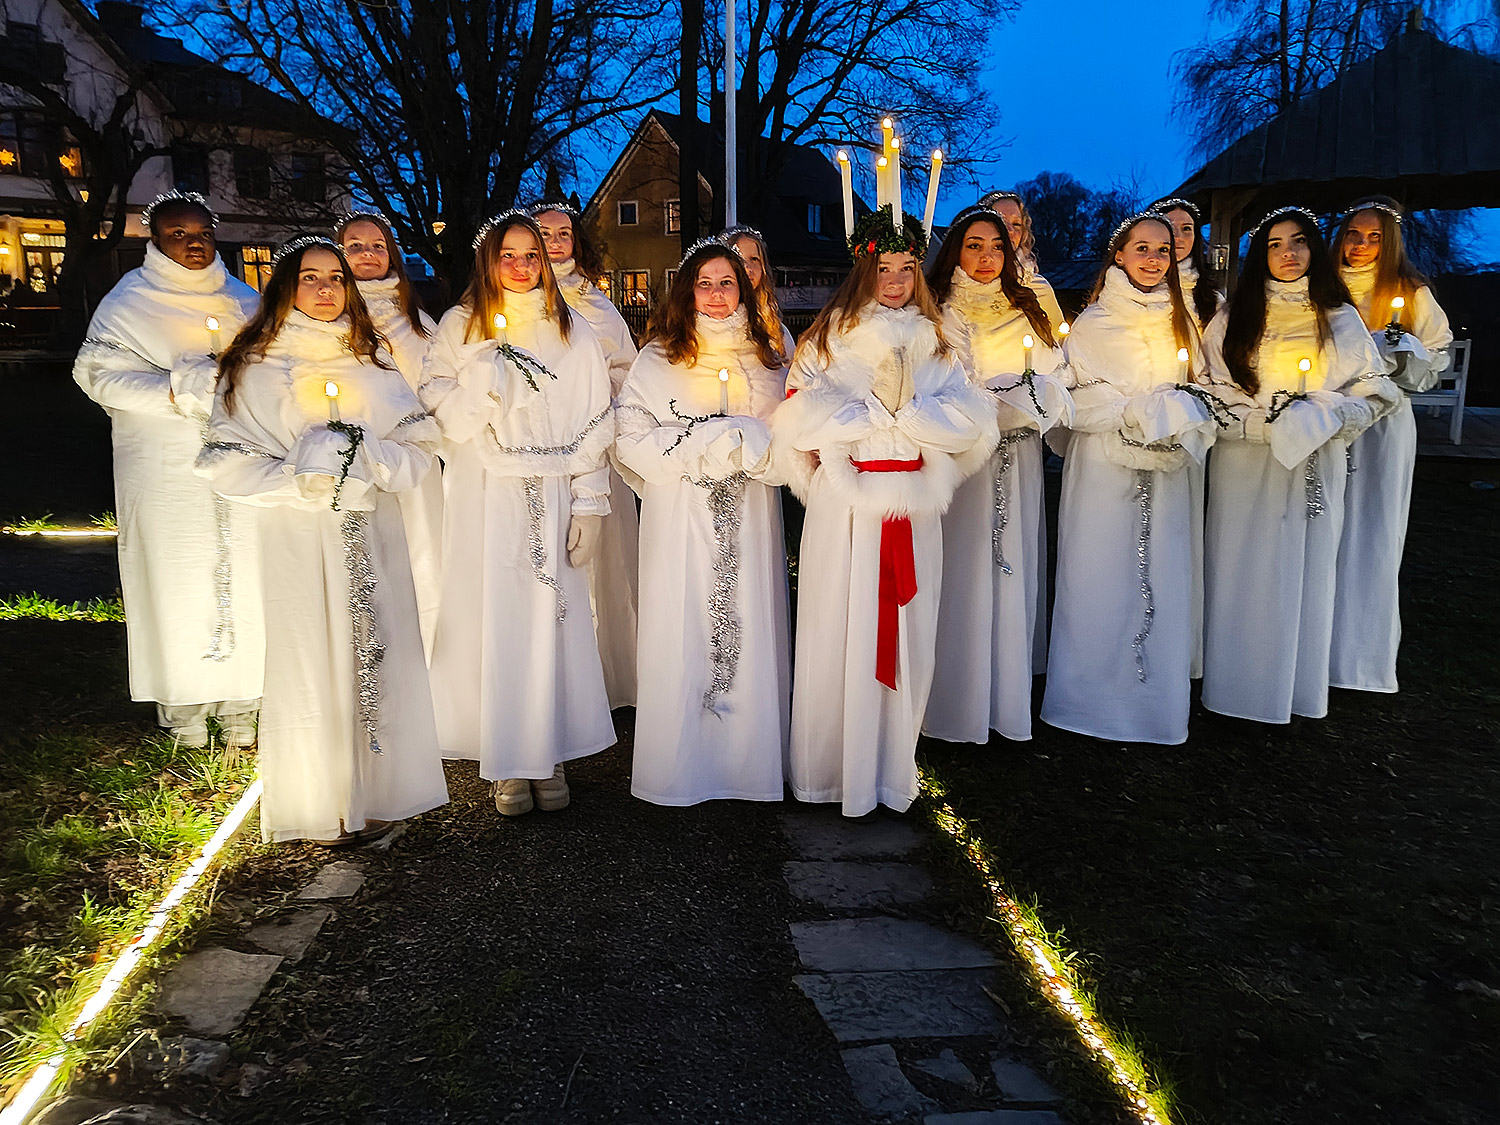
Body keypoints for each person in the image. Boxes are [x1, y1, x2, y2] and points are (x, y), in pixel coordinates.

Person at [197, 236, 448, 844]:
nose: (326, 288)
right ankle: (325, 796)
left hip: (373, 537)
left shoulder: (374, 362)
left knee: (378, 653)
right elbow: (223, 461)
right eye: (310, 277)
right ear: (285, 285)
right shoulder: (256, 368)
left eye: (335, 277)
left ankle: (386, 786)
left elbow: (424, 448)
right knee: (313, 658)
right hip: (298, 540)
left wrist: (370, 458)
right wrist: (300, 475)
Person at [772, 207, 996, 817]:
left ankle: (891, 768)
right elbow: (799, 420)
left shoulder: (943, 339)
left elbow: (973, 424)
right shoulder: (827, 337)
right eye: (882, 267)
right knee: (838, 630)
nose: (895, 281)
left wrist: (912, 415)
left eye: (906, 267)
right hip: (846, 513)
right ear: (862, 267)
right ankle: (828, 770)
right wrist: (874, 414)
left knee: (906, 637)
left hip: (913, 512)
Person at [420, 211, 615, 815]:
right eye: (509, 254)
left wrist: (589, 501)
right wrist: (483, 375)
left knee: (549, 619)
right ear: (488, 258)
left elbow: (594, 415)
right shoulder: (458, 326)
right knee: (497, 622)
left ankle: (548, 751)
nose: (522, 265)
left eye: (532, 254)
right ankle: (507, 759)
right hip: (485, 494)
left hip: (553, 493)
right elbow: (441, 412)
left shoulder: (572, 330)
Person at [73, 190, 264, 750]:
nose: (193, 242)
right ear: (154, 238)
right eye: (178, 233)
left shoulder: (243, 301)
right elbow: (97, 375)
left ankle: (242, 699)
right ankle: (183, 704)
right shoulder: (129, 301)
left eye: (202, 231)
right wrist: (179, 389)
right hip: (164, 467)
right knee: (175, 577)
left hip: (238, 461)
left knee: (246, 576)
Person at [1200, 207, 1397, 724]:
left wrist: (1324, 414)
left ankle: (1294, 685)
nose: (1287, 253)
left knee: (1303, 568)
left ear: (1314, 249)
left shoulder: (1339, 316)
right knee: (1242, 566)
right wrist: (1259, 423)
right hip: (1244, 461)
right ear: (1259, 254)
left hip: (1313, 461)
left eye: (1298, 242)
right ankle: (1236, 687)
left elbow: (1372, 391)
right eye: (1274, 244)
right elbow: (1211, 386)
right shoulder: (1233, 316)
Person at [614, 241, 791, 805]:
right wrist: (703, 443)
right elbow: (631, 439)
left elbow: (790, 435)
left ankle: (745, 764)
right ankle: (680, 766)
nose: (716, 295)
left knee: (746, 620)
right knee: (683, 621)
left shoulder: (768, 355)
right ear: (688, 290)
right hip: (681, 515)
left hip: (750, 513)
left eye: (727, 283)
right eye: (705, 283)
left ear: (745, 288)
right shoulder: (658, 358)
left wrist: (753, 445)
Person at [1040, 213, 1218, 745]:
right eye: (1142, 249)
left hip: (1167, 472)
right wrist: (1135, 411)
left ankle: (1152, 703)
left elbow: (1205, 388)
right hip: (1103, 471)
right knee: (1098, 572)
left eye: (1164, 250)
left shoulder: (1186, 321)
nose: (1154, 259)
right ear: (1119, 255)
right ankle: (1087, 699)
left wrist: (1179, 411)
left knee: (1161, 571)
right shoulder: (1093, 322)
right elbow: (1073, 396)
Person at [923, 207, 1073, 745]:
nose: (986, 258)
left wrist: (1033, 397)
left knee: (1011, 563)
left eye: (996, 247)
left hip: (1019, 455)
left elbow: (1060, 369)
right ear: (954, 251)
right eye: (973, 246)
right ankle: (952, 694)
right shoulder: (936, 308)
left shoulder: (1030, 305)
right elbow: (936, 381)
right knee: (963, 564)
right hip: (964, 461)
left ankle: (1007, 688)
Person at [1328, 196, 1453, 694]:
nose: (1361, 246)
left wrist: (1407, 350)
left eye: (1373, 237)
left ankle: (1358, 657)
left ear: (1391, 241)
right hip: (1331, 415)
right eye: (1354, 235)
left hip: (1383, 424)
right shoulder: (1324, 286)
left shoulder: (1408, 292)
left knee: (1371, 527)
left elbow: (1437, 358)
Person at [531, 200, 640, 709]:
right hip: (535, 449)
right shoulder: (509, 302)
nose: (555, 243)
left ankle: (605, 673)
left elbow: (629, 371)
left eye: (564, 234)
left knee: (603, 559)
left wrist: (601, 390)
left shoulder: (598, 305)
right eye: (544, 234)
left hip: (593, 449)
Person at [336, 210, 443, 660]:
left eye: (377, 245)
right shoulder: (330, 316)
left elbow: (439, 382)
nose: (367, 255)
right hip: (357, 460)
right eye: (355, 246)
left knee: (424, 555)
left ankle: (431, 653)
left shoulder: (415, 321)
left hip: (416, 462)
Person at [1151, 195, 1223, 677]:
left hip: (1190, 417)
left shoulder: (1207, 300)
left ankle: (1187, 646)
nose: (1177, 239)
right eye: (1168, 230)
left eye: (1186, 231)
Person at [977, 189, 1066, 326]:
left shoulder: (1039, 290)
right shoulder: (956, 287)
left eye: (1016, 224)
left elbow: (1059, 342)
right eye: (1000, 221)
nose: (1010, 230)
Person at [721, 225, 796, 358]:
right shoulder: (704, 324)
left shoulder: (776, 332)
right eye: (739, 259)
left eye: (754, 259)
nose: (748, 268)